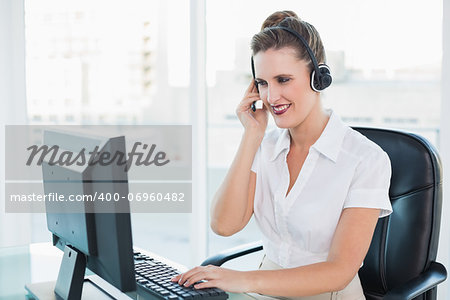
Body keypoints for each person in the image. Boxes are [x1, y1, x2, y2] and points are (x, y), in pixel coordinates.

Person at [171, 10, 392, 300]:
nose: (271, 97)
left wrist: (243, 279)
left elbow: (339, 271)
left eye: (283, 80)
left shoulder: (365, 159)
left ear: (318, 78)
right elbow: (224, 225)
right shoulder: (266, 146)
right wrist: (252, 136)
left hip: (327, 294)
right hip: (263, 289)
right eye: (262, 83)